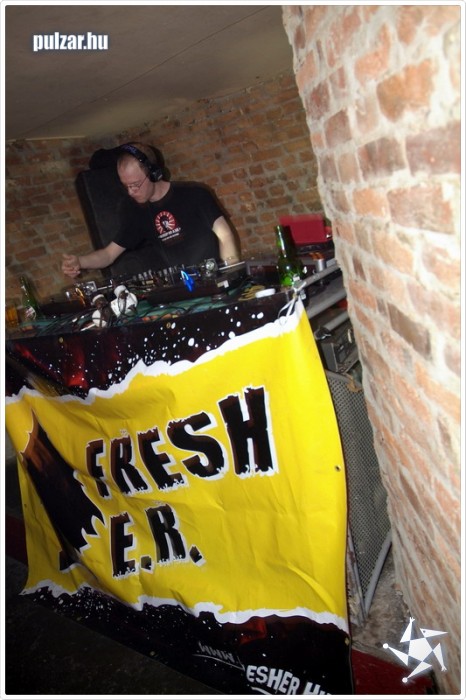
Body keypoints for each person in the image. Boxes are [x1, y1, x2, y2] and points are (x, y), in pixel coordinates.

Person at [62, 142, 241, 279]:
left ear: (154, 174)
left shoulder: (195, 194)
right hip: (184, 285)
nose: (131, 192)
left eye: (135, 184)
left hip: (216, 277)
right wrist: (80, 262)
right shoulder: (135, 212)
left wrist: (231, 275)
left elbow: (225, 235)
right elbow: (108, 254)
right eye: (126, 186)